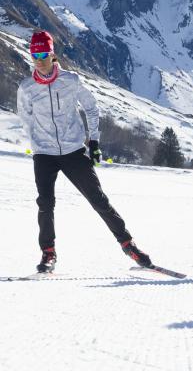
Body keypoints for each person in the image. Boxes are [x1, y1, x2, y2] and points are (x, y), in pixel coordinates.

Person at [17, 31, 153, 273]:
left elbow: (91, 107)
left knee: (98, 200)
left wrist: (94, 142)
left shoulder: (71, 81)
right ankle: (48, 253)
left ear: (52, 54)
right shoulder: (26, 88)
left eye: (43, 55)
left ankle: (128, 245)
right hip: (44, 154)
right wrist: (37, 143)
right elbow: (25, 119)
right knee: (45, 203)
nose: (39, 60)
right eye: (34, 55)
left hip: (73, 151)